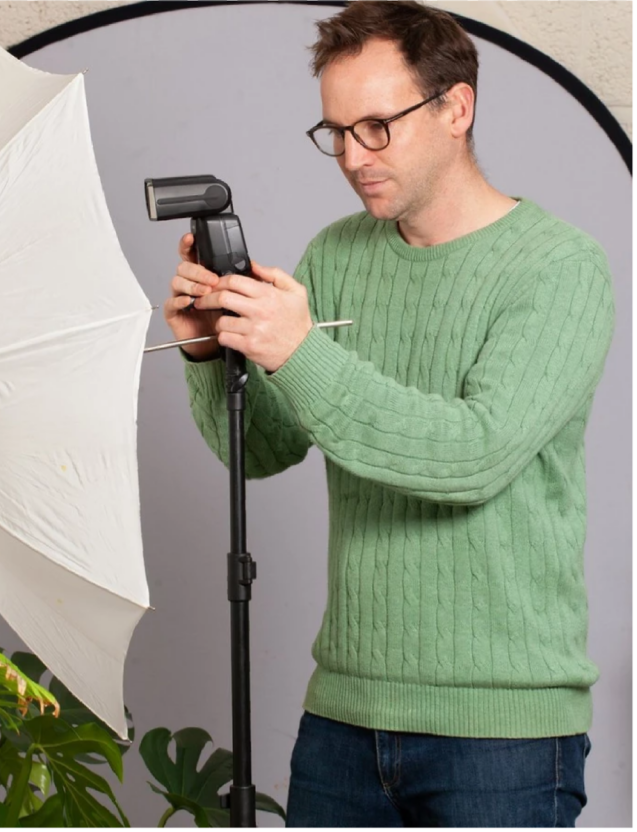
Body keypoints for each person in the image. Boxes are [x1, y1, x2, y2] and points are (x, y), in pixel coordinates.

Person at [163, 0, 616, 828]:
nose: (350, 156)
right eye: (335, 131)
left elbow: (471, 458)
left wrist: (300, 351)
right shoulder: (336, 254)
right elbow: (263, 449)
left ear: (456, 108)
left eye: (377, 127)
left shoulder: (560, 269)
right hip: (343, 716)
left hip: (502, 730)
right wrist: (211, 350)